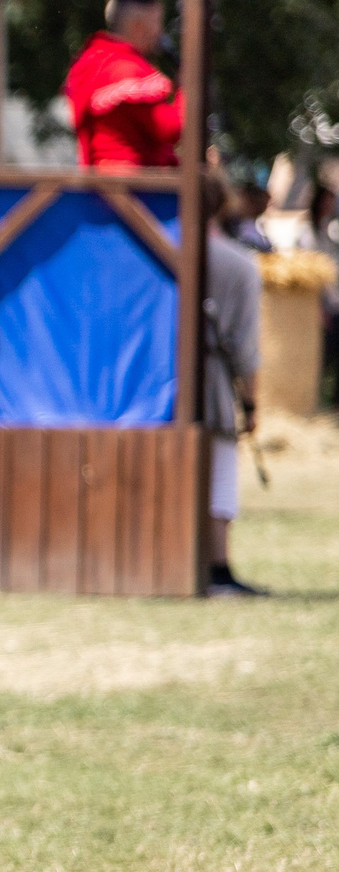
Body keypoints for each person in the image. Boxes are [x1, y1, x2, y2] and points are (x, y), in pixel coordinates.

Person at [200, 171, 265, 596]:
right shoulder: (238, 263)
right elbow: (246, 349)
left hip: (150, 381)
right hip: (213, 382)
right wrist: (252, 403)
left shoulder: (153, 247)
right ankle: (218, 567)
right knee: (220, 474)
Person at [63, 0, 182, 171]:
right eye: (157, 23)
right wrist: (189, 90)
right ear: (138, 26)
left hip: (101, 185)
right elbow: (172, 129)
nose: (160, 34)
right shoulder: (127, 69)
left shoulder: (94, 61)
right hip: (136, 189)